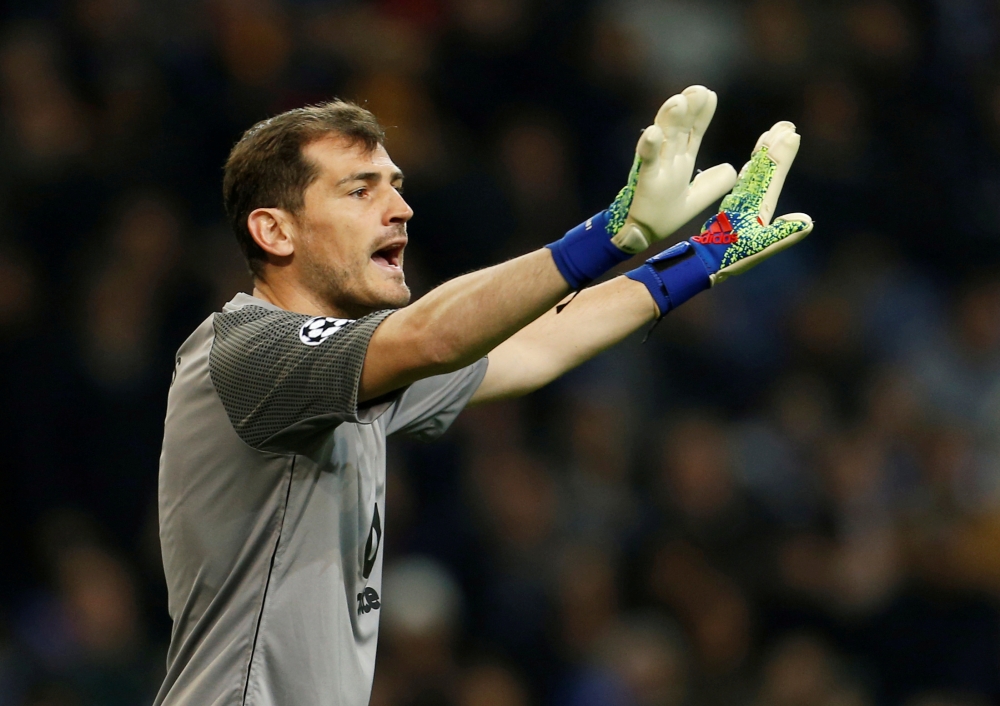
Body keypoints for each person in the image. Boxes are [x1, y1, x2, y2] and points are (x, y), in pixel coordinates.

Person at [153, 86, 812, 706]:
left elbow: (530, 349)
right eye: (360, 190)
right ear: (275, 232)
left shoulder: (352, 371)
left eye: (397, 187)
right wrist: (610, 232)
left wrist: (699, 257)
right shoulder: (246, 352)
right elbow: (435, 336)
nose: (400, 209)